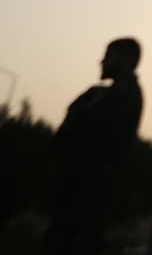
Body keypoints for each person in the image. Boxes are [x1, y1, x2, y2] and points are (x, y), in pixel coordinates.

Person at [44, 38, 143, 255]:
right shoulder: (110, 95)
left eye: (109, 56)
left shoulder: (121, 97)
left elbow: (93, 136)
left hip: (86, 196)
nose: (102, 61)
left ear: (126, 59)